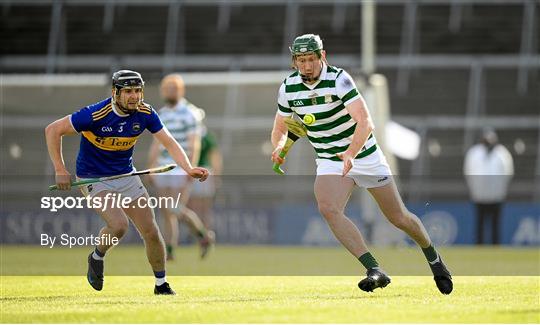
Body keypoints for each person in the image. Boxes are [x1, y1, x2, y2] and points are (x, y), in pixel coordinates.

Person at [270, 34, 453, 294]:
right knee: (328, 208)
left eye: (311, 59)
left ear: (323, 56)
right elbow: (279, 128)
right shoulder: (288, 88)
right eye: (301, 60)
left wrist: (351, 154)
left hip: (364, 155)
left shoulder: (339, 79)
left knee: (398, 218)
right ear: (294, 61)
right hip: (329, 159)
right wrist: (279, 147)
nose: (307, 65)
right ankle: (374, 269)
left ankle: (434, 258)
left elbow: (365, 122)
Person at [45, 70, 209, 295]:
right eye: (128, 91)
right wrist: (60, 168)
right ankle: (97, 255)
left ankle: (161, 284)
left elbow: (169, 142)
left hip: (126, 176)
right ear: (115, 93)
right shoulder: (95, 114)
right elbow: (53, 130)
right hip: (94, 178)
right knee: (119, 225)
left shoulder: (145, 112)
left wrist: (188, 168)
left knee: (151, 229)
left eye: (138, 91)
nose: (134, 96)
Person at [147, 74, 215, 260]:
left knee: (175, 208)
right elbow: (156, 143)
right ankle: (169, 250)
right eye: (167, 88)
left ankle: (203, 235)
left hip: (180, 167)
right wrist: (151, 167)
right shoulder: (161, 113)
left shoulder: (190, 112)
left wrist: (189, 167)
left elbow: (195, 143)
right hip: (163, 167)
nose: (170, 91)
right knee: (167, 211)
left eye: (174, 88)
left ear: (181, 90)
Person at [464, 129, 514, 245]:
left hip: (496, 195)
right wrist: (474, 190)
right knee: (480, 223)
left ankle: (495, 245)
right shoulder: (474, 153)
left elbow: (508, 173)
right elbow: (468, 172)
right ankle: (479, 245)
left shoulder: (502, 153)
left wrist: (501, 190)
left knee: (495, 223)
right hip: (479, 195)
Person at [188, 124, 223, 233]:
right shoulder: (204, 135)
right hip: (198, 172)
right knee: (199, 207)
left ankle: (204, 233)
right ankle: (202, 233)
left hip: (200, 171)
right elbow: (215, 157)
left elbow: (215, 157)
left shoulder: (204, 135)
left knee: (200, 207)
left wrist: (216, 176)